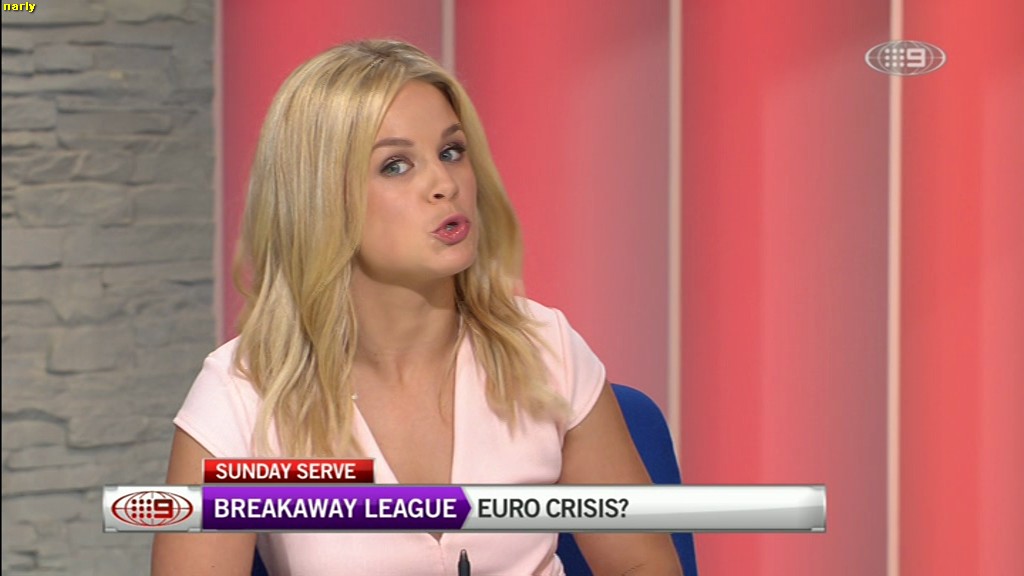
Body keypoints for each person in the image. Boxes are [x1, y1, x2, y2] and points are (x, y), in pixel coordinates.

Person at [152, 39, 682, 575]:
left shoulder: (546, 350)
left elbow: (642, 568)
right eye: (396, 165)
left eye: (451, 152)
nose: (445, 184)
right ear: (320, 198)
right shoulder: (243, 395)